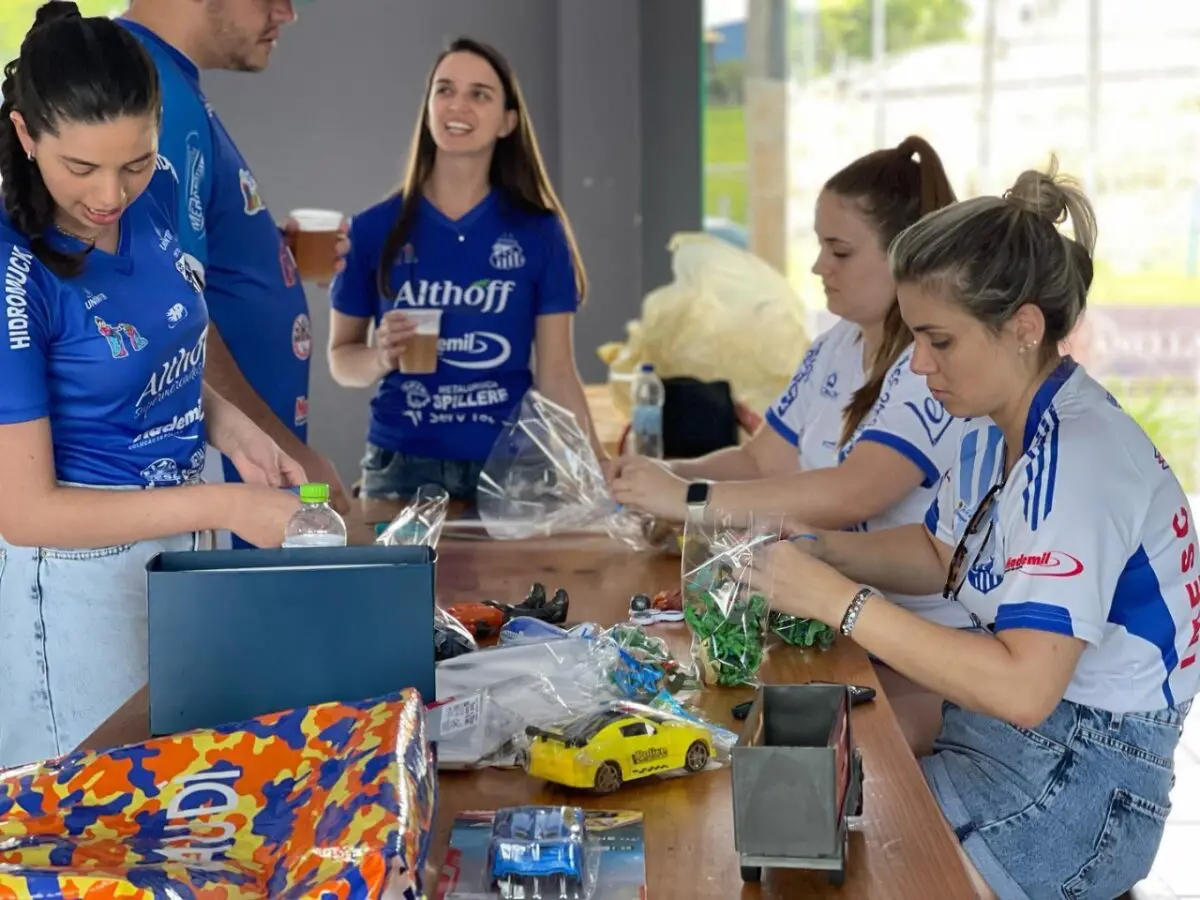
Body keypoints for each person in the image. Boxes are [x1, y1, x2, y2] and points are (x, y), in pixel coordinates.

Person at [757, 163, 1197, 900]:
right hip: (1011, 738)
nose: (918, 365)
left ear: (1023, 327)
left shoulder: (1078, 461)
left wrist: (839, 601)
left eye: (938, 341)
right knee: (799, 820)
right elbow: (940, 553)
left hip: (1082, 778)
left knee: (830, 872)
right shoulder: (997, 427)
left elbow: (1025, 688)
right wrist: (814, 552)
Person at [0, 2, 306, 767]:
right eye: (80, 169)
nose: (110, 195)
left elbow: (151, 357)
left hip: (179, 558)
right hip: (77, 590)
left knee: (181, 802)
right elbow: (26, 511)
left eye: (133, 162)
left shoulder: (157, 194)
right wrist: (226, 500)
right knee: (87, 841)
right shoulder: (15, 270)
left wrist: (232, 428)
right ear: (25, 135)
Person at [328, 37, 605, 502]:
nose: (458, 104)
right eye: (444, 89)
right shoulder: (374, 228)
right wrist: (380, 356)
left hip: (512, 465)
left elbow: (557, 373)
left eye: (480, 94)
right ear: (429, 106)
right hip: (401, 466)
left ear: (507, 122)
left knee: (518, 580)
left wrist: (600, 474)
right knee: (404, 580)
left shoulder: (539, 232)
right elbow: (341, 359)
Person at [118, 0, 350, 539]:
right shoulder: (153, 90)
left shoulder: (167, 79)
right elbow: (169, 311)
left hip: (238, 468)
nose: (287, 13)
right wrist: (289, 455)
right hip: (227, 475)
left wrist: (266, 253)